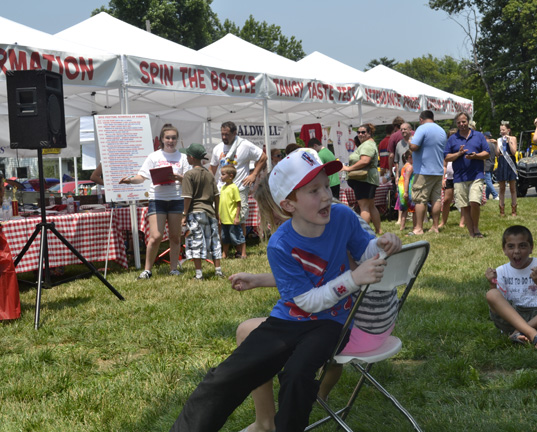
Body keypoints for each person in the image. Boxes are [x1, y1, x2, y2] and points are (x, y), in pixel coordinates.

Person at [170, 149, 401, 432]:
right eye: (314, 191)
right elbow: (305, 300)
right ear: (288, 204)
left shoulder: (342, 216)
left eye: (326, 186)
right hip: (290, 319)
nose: (326, 196)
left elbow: (365, 252)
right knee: (227, 375)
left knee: (298, 375)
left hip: (333, 322)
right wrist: (353, 280)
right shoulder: (280, 244)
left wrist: (383, 245)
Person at [229, 192, 400, 432]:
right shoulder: (338, 213)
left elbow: (329, 281)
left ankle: (265, 423)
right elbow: (322, 275)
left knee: (247, 331)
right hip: (380, 326)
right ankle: (321, 394)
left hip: (353, 328)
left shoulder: (328, 223)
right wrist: (259, 279)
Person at [120, 123, 190, 279]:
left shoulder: (182, 157)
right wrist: (130, 180)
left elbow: (189, 179)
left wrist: (179, 177)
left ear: (177, 140)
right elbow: (141, 177)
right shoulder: (153, 156)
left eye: (173, 138)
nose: (170, 141)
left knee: (175, 236)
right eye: (168, 138)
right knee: (156, 236)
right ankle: (147, 270)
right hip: (157, 199)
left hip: (176, 199)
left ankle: (174, 268)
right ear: (162, 139)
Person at [484, 225, 537, 350]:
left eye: (522, 246)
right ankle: (532, 333)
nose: (517, 251)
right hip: (513, 318)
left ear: (531, 248)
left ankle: (520, 333)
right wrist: (492, 283)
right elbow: (499, 307)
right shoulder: (501, 271)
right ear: (504, 249)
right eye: (511, 246)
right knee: (491, 294)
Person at [209, 121, 268, 259]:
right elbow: (212, 169)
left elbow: (263, 157)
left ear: (235, 133)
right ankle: (223, 251)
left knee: (239, 219)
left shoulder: (244, 145)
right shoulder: (218, 148)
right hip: (222, 190)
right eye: (222, 134)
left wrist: (253, 175)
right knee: (221, 220)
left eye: (227, 134)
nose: (224, 137)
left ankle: (240, 251)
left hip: (240, 188)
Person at [444, 112, 490, 238]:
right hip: (459, 177)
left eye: (463, 122)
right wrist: (458, 154)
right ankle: (471, 232)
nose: (461, 124)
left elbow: (487, 153)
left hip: (476, 175)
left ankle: (476, 228)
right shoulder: (452, 139)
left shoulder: (478, 136)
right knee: (464, 206)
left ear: (468, 122)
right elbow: (447, 157)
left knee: (474, 202)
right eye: (458, 122)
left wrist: (476, 156)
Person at [180, 143, 222, 280]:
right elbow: (217, 195)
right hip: (210, 211)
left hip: (195, 212)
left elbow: (188, 197)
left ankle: (199, 274)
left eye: (187, 155)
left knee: (195, 242)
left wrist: (184, 214)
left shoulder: (189, 174)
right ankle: (218, 270)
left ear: (192, 158)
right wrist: (217, 213)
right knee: (214, 241)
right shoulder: (209, 174)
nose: (186, 158)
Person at [409, 110, 447, 235]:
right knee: (436, 199)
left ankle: (419, 228)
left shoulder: (422, 128)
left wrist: (410, 142)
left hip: (424, 170)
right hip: (438, 169)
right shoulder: (441, 130)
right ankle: (435, 226)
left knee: (420, 199)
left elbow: (414, 147)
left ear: (421, 119)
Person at [341, 123, 382, 234]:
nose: (360, 134)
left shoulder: (367, 145)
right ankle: (378, 230)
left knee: (364, 207)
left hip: (364, 178)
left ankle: (364, 232)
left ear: (369, 133)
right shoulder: (367, 144)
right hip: (368, 178)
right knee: (371, 205)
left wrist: (349, 168)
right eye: (358, 132)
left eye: (363, 132)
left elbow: (365, 160)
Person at [218, 164, 244, 259]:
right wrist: (220, 216)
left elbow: (238, 203)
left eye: (223, 174)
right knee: (225, 238)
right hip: (224, 218)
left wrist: (237, 217)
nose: (221, 176)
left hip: (232, 218)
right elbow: (221, 203)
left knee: (237, 236)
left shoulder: (234, 187)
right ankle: (224, 253)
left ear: (230, 176)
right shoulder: (223, 187)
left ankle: (241, 252)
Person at [495, 122, 518, 217]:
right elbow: (497, 153)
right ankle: (502, 210)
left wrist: (509, 142)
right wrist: (497, 144)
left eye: (503, 130)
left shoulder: (513, 138)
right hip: (501, 162)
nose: (502, 132)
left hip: (510, 161)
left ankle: (514, 210)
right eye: (500, 130)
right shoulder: (499, 140)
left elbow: (514, 151)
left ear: (508, 130)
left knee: (512, 188)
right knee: (502, 188)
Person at [396, 150, 415, 231]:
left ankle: (402, 226)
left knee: (404, 210)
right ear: (410, 157)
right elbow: (407, 179)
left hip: (402, 190)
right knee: (414, 210)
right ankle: (416, 226)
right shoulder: (410, 167)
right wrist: (406, 192)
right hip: (408, 190)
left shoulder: (404, 166)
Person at [483, 131, 499, 201]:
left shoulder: (485, 144)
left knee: (488, 181)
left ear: (485, 137)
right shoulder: (493, 145)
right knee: (489, 180)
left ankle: (495, 195)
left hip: (486, 164)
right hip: (492, 164)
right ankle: (486, 196)